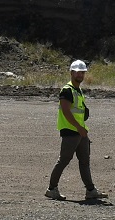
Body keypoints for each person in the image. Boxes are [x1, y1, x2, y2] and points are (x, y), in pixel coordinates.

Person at [45, 60, 107, 202]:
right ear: (72, 73)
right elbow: (66, 111)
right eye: (78, 72)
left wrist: (82, 129)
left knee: (84, 161)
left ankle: (91, 191)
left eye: (82, 72)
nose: (80, 74)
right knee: (64, 160)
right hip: (71, 131)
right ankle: (51, 189)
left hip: (80, 131)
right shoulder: (67, 90)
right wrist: (79, 128)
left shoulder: (77, 90)